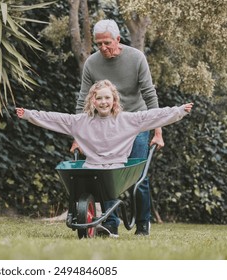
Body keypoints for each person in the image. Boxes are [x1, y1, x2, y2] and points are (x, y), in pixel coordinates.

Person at [16, 80, 193, 236]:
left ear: (114, 100)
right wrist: (29, 114)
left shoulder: (128, 120)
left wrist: (179, 111)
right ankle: (102, 222)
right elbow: (55, 119)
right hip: (91, 167)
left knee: (108, 180)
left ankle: (110, 225)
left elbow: (155, 115)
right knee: (96, 180)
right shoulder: (81, 121)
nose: (103, 102)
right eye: (99, 98)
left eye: (107, 98)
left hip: (115, 168)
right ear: (92, 100)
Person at [71, 19, 163, 237]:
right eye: (99, 44)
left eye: (107, 43)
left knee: (138, 176)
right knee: (106, 174)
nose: (103, 48)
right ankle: (111, 224)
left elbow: (150, 95)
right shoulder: (92, 64)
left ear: (118, 39)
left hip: (136, 123)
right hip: (107, 124)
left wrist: (158, 131)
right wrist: (77, 136)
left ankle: (142, 224)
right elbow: (83, 99)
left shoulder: (136, 58)